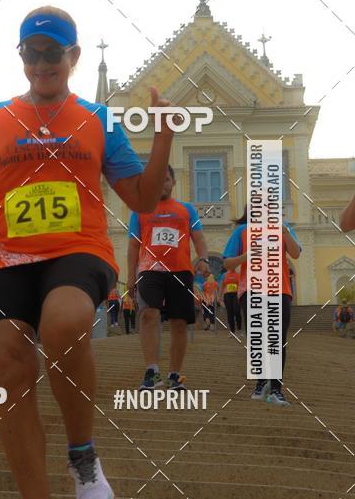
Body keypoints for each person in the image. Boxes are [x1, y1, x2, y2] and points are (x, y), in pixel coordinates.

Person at [0, 5, 176, 499]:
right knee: (10, 372)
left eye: (52, 52)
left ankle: (83, 457)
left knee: (64, 327)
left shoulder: (99, 120)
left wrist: (163, 141)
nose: (42, 63)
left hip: (77, 249)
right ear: (22, 59)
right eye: (31, 53)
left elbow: (144, 199)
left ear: (73, 57)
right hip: (4, 255)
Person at [127, 165, 210, 392]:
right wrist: (130, 277)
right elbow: (133, 246)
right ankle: (152, 372)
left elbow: (199, 238)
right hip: (149, 270)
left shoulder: (186, 210)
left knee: (179, 323)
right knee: (148, 315)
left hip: (180, 271)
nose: (161, 184)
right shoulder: (139, 211)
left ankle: (174, 375)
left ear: (173, 182)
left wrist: (204, 259)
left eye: (166, 179)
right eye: (157, 180)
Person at [223, 207, 301, 406]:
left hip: (280, 289)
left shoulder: (283, 229)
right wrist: (246, 257)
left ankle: (276, 389)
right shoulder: (242, 231)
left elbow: (295, 254)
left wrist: (284, 231)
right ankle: (260, 384)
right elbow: (227, 263)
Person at [220, 268, 242, 333]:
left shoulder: (238, 274)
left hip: (236, 295)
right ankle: (232, 331)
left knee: (237, 311)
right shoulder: (225, 275)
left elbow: (241, 285)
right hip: (227, 295)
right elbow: (222, 286)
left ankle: (239, 329)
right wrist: (220, 296)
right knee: (230, 313)